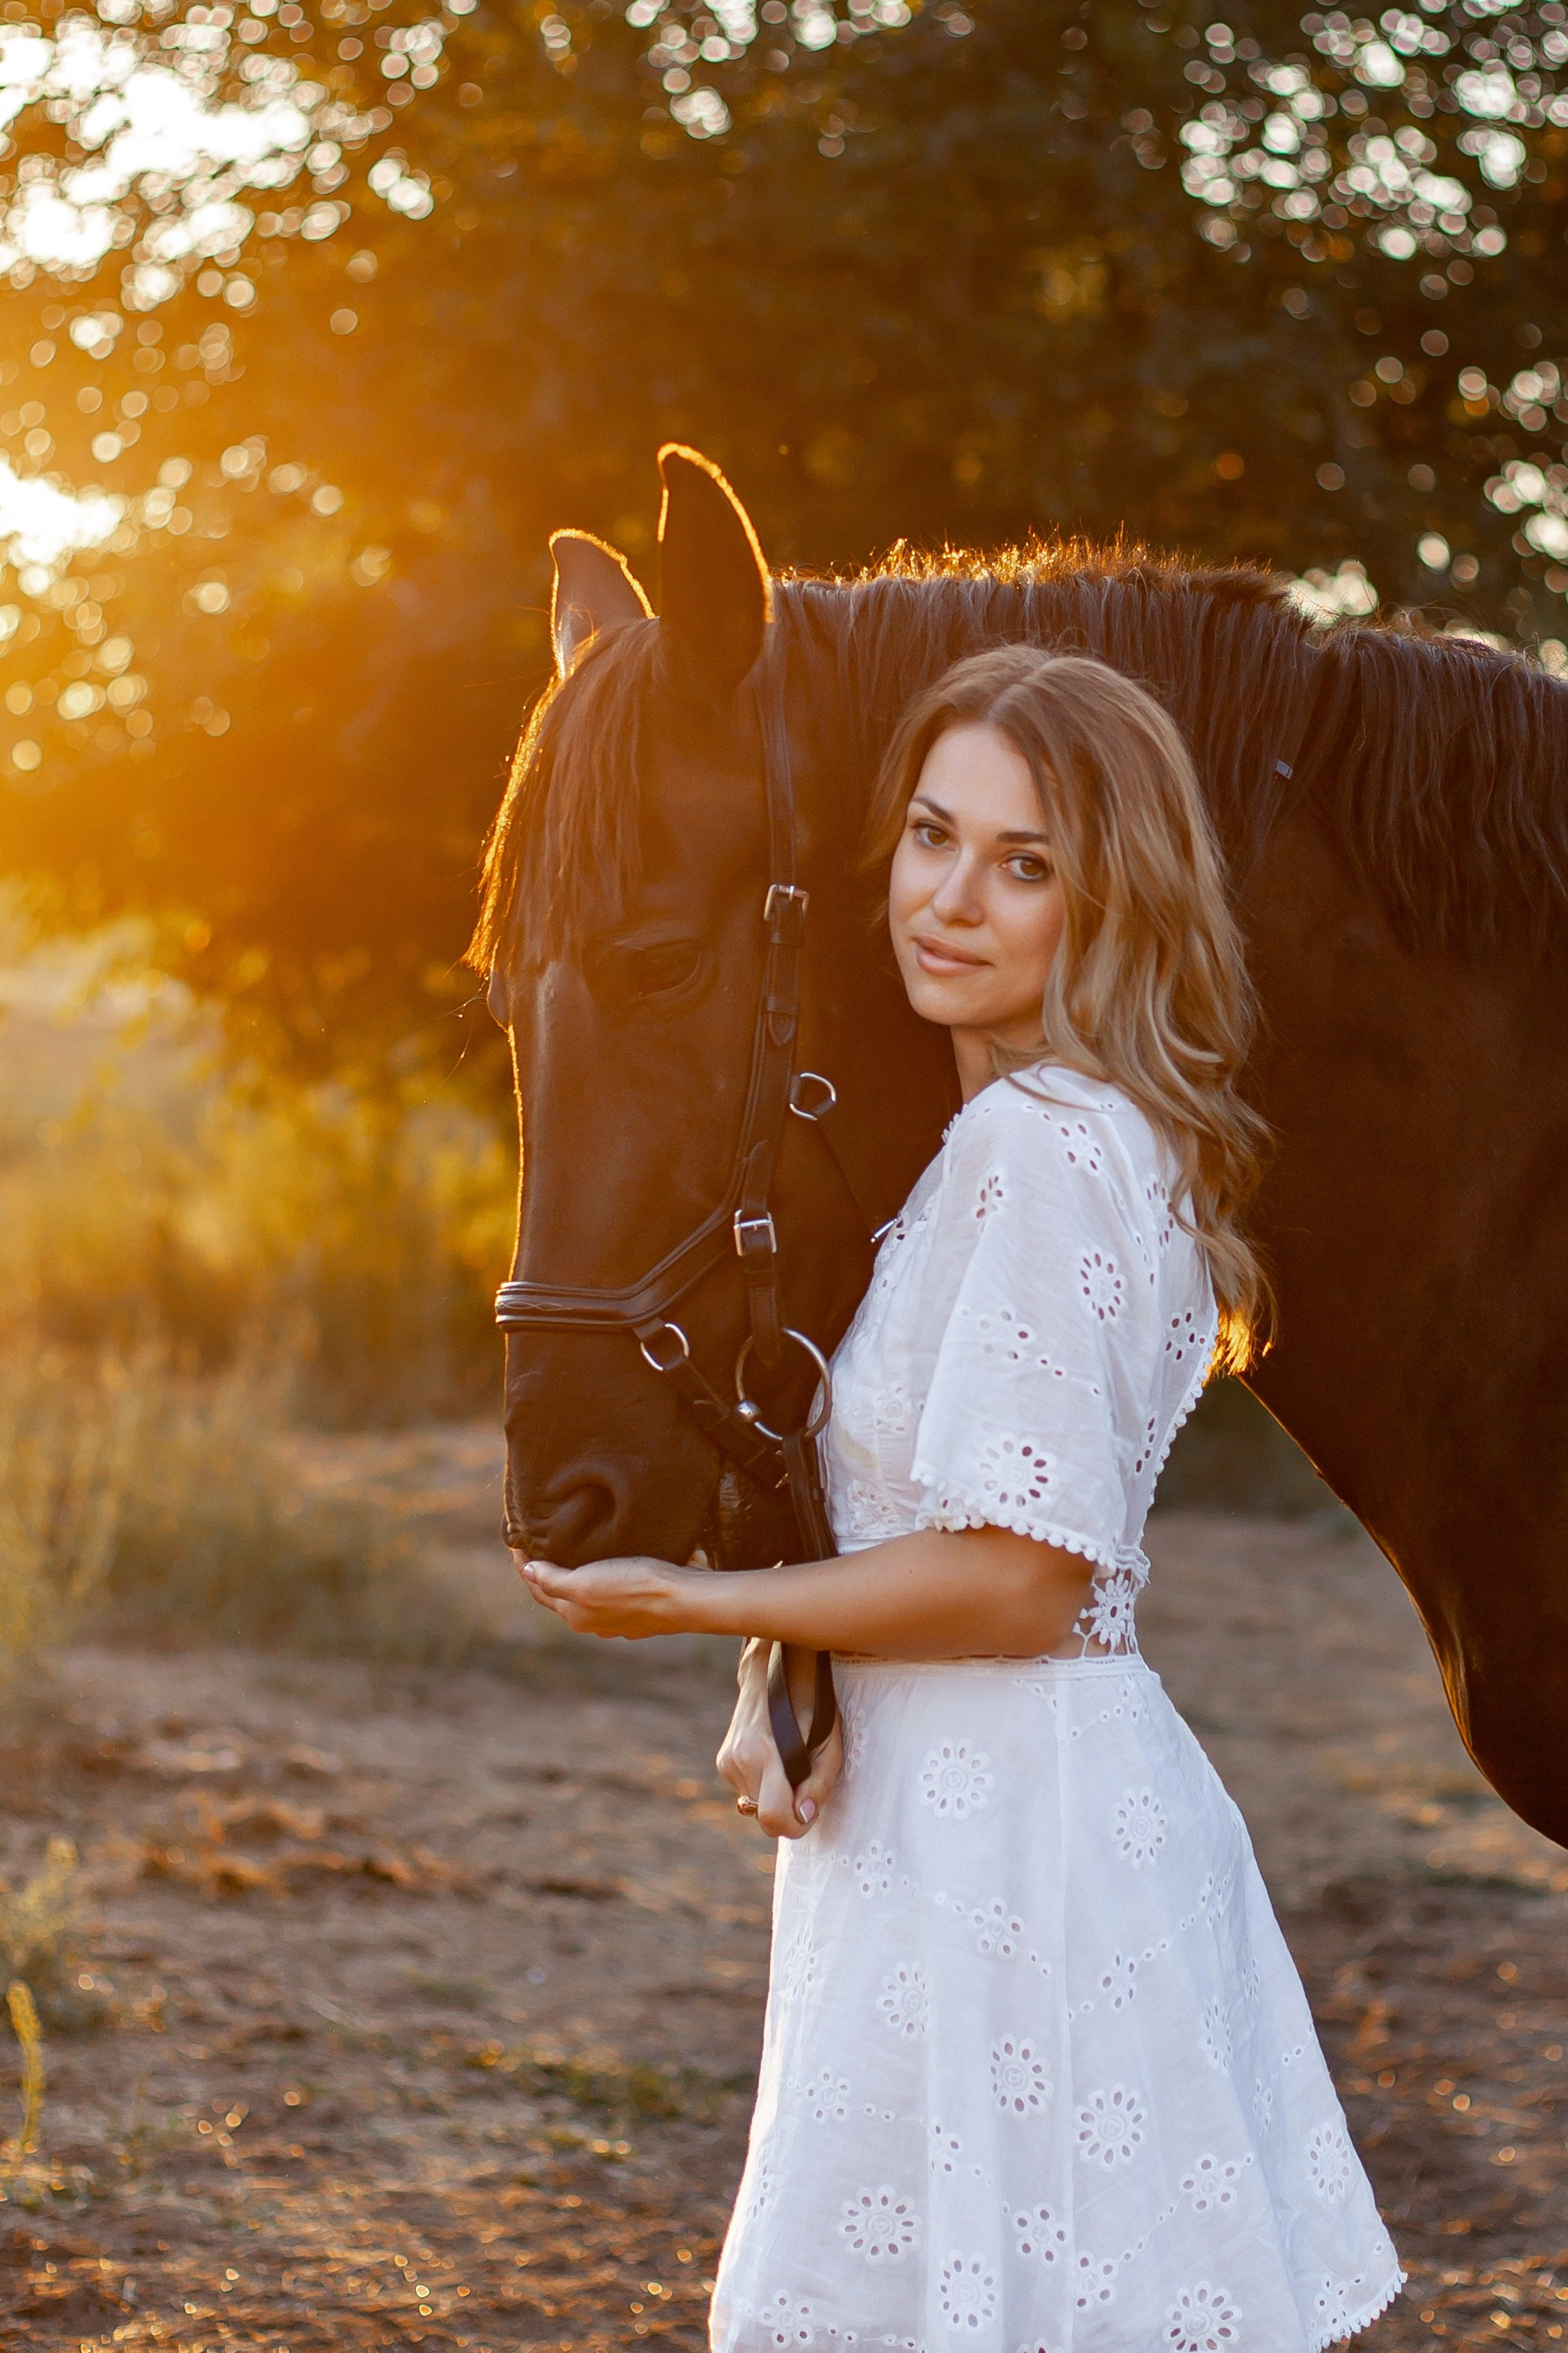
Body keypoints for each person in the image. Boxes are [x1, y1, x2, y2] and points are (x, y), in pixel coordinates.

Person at [518, 646, 1403, 2353]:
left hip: (1020, 1842)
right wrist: (784, 1674)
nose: (952, 900)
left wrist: (699, 1601)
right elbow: (933, 1520)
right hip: (961, 1819)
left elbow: (1023, 1581)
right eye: (933, 837)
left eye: (1025, 863)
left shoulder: (1044, 1150)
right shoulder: (1056, 1134)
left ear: (1109, 899)